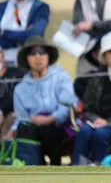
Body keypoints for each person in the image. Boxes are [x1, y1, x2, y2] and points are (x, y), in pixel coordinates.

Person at [8, 36, 78, 165]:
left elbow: (68, 105)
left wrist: (50, 118)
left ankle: (56, 166)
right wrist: (16, 128)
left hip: (59, 125)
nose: (38, 57)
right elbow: (20, 117)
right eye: (33, 53)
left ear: (48, 56)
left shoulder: (61, 77)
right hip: (33, 128)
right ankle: (33, 167)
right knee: (23, 132)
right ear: (26, 58)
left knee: (48, 131)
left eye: (42, 52)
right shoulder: (20, 88)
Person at [72, 32, 111, 165]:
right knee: (83, 131)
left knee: (101, 134)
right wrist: (96, 119)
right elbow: (87, 108)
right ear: (104, 56)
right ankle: (77, 167)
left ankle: (100, 167)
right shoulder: (96, 78)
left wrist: (108, 123)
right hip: (97, 122)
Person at [0, 0, 50, 67]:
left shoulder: (40, 7)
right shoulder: (2, 7)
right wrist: (22, 37)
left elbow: (34, 34)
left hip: (29, 65)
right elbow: (28, 35)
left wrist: (4, 33)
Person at [0, 46, 24, 140]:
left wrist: (1, 110)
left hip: (9, 111)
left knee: (11, 118)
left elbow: (14, 95)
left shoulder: (17, 74)